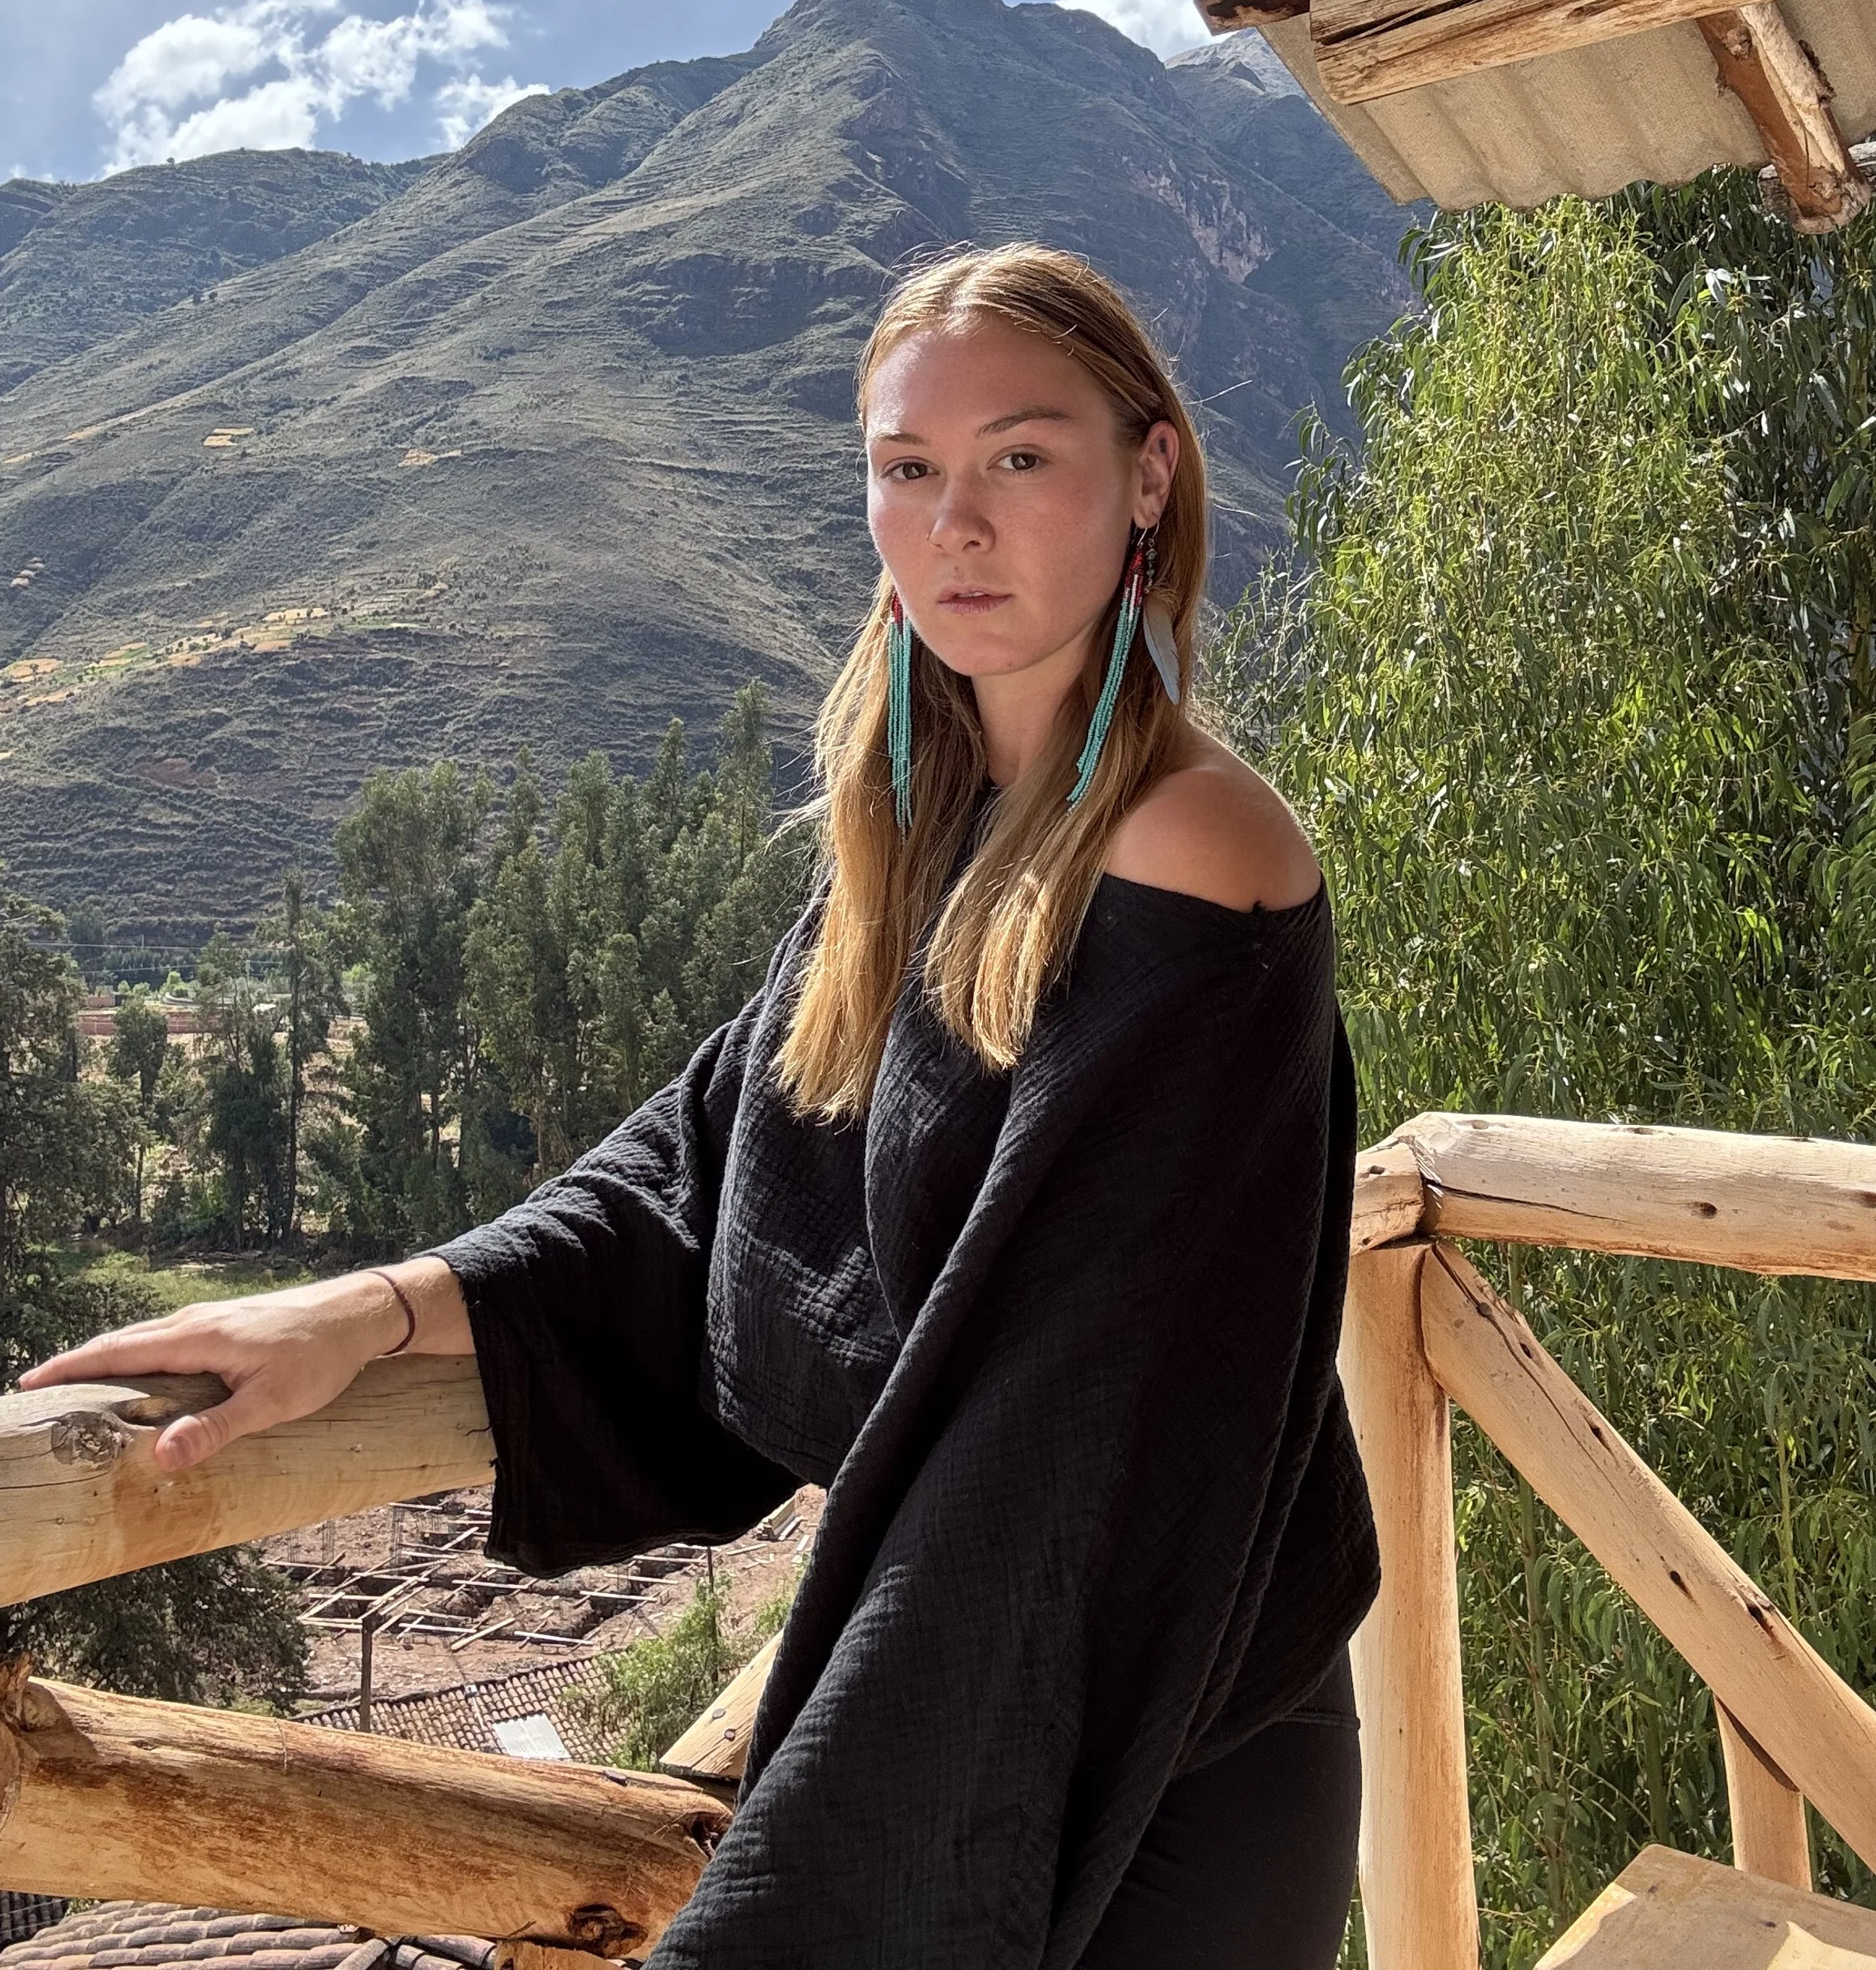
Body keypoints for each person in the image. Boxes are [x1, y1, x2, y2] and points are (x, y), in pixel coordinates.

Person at [27, 245, 1379, 1969]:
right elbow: (712, 1156)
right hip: (979, 1693)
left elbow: (1057, 1451)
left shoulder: (1192, 857)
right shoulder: (925, 827)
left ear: (1148, 475)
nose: (953, 523)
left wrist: (793, 1895)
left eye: (1019, 458)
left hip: (1152, 1760)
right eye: (906, 467)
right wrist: (379, 1307)